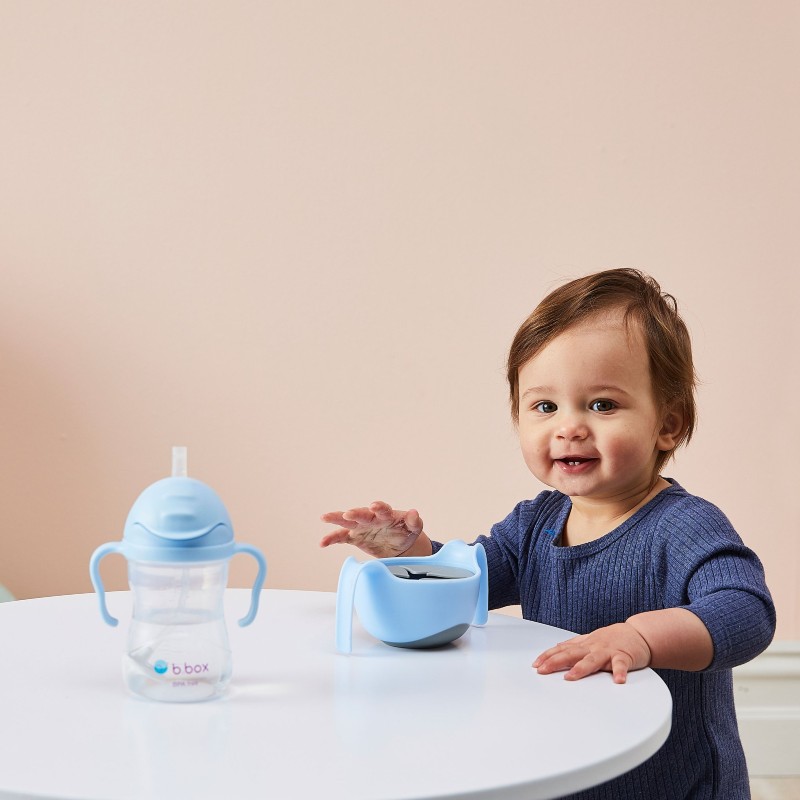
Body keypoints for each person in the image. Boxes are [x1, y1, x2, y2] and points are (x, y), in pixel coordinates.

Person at [320, 268, 775, 799]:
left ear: (667, 424)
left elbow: (747, 612)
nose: (569, 427)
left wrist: (642, 638)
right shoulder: (536, 522)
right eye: (544, 406)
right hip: (570, 762)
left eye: (602, 404)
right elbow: (467, 582)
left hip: (672, 781)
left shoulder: (685, 525)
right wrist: (408, 552)